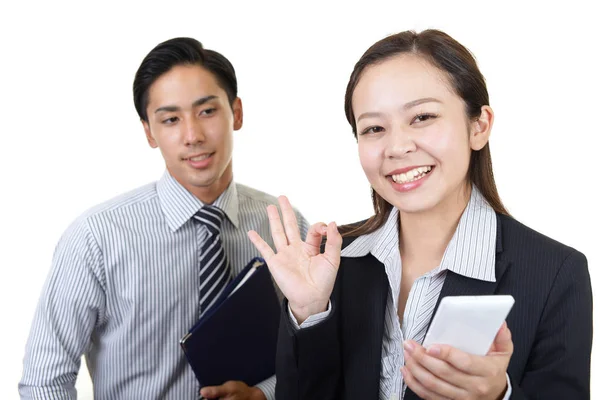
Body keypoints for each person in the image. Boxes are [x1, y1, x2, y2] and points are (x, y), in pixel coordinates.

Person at [248, 29, 593, 399]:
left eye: (422, 117)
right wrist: (309, 311)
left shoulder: (555, 273)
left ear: (479, 125)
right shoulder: (332, 263)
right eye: (374, 128)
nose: (397, 147)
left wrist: (498, 395)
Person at [19, 37, 309, 400]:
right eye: (171, 119)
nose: (193, 136)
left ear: (236, 112)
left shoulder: (285, 226)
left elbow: (314, 353)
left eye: (207, 111)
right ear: (148, 132)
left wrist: (264, 394)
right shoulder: (97, 238)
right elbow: (45, 382)